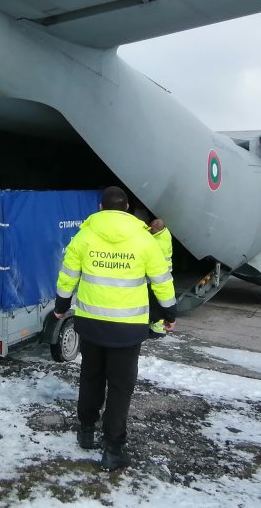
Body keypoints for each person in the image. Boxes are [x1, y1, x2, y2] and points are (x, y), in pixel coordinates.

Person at [54, 186, 176, 472]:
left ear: (100, 207)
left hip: (91, 324)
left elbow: (68, 275)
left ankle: (86, 431)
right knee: (120, 388)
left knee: (91, 377)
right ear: (127, 208)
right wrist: (169, 314)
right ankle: (112, 449)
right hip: (127, 328)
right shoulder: (144, 240)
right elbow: (162, 281)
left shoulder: (84, 236)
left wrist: (61, 305)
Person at [147, 218, 175, 338]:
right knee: (158, 301)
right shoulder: (165, 233)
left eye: (152, 229)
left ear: (158, 230)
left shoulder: (158, 243)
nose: (150, 230)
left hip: (159, 275)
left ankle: (157, 328)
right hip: (163, 273)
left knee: (157, 302)